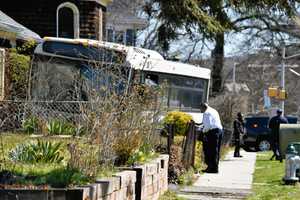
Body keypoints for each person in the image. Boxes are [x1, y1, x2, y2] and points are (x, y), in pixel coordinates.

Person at [200, 102, 223, 173]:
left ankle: (210, 168)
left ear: (203, 107)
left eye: (200, 109)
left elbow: (208, 126)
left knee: (210, 150)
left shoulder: (206, 113)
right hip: (220, 130)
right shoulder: (214, 110)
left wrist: (202, 131)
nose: (200, 111)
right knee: (216, 150)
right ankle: (215, 167)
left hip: (213, 132)